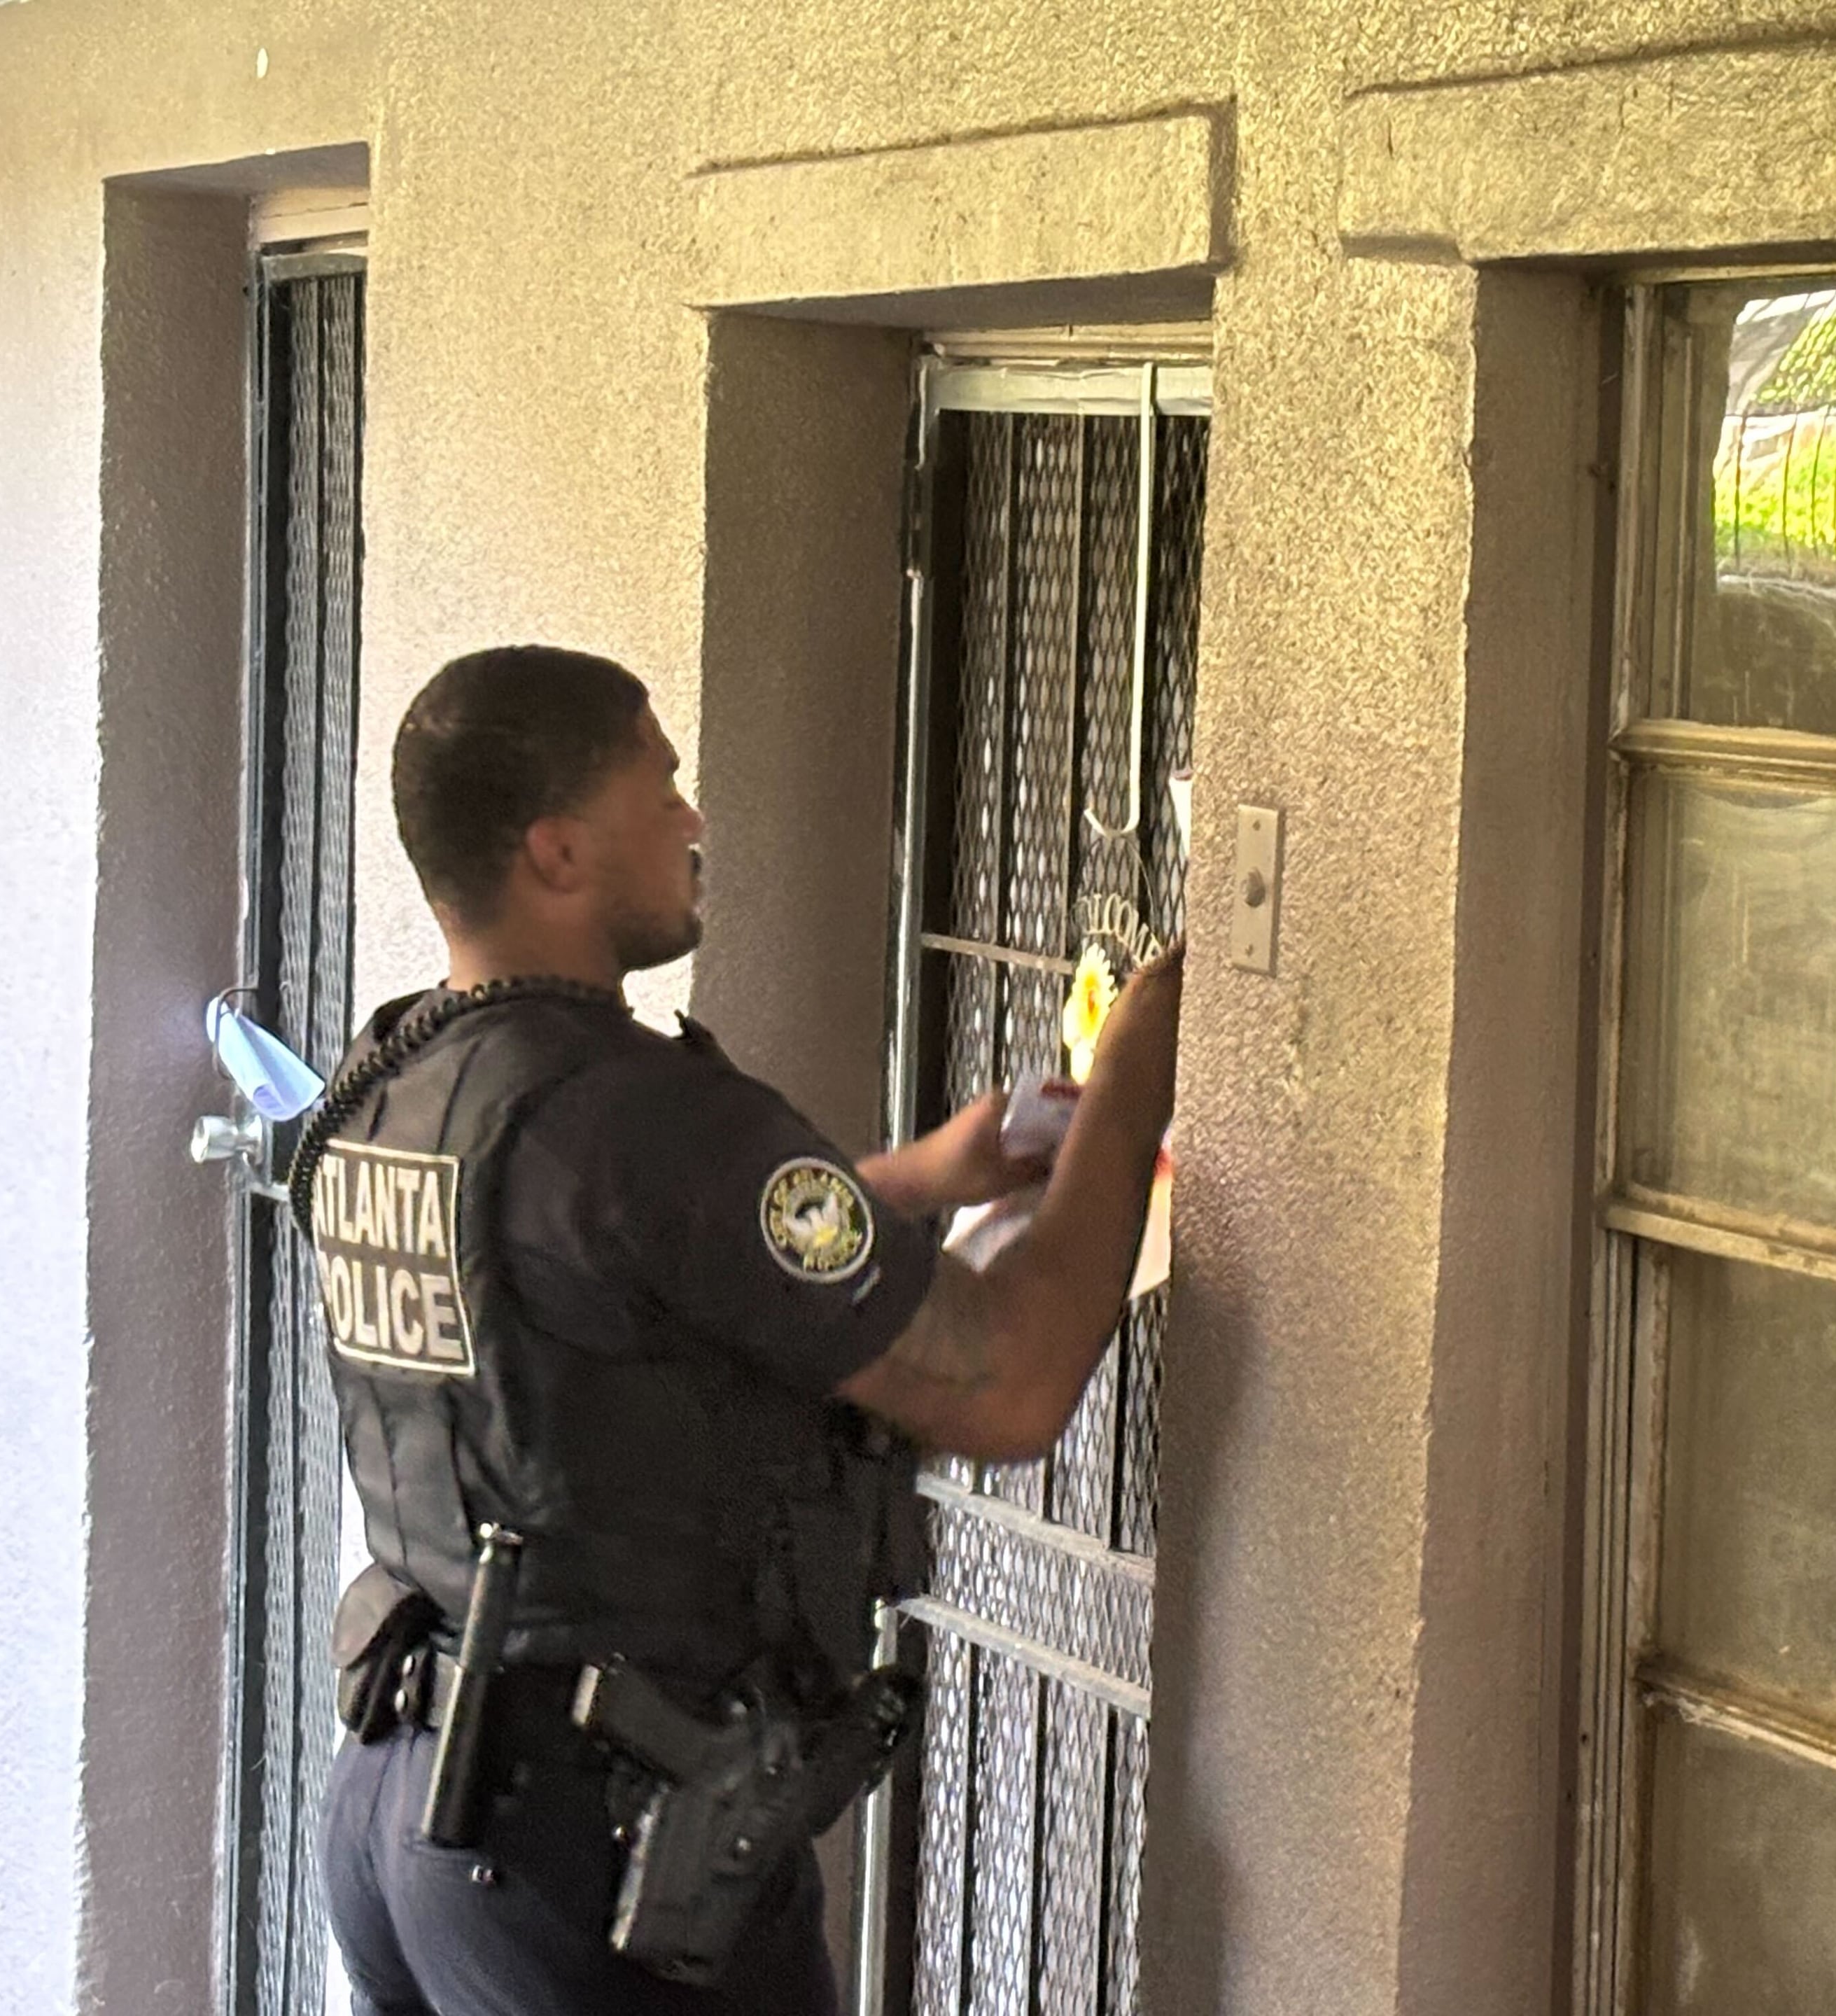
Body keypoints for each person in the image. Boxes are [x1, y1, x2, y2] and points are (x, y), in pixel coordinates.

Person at [304, 644, 1181, 2016]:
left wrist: (919, 1179)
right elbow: (1005, 1385)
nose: (695, 820)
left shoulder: (398, 1082)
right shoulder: (641, 1118)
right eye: (663, 787)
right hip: (604, 1859)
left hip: (417, 1818)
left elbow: (605, 1281)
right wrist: (1135, 1077)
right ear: (559, 852)